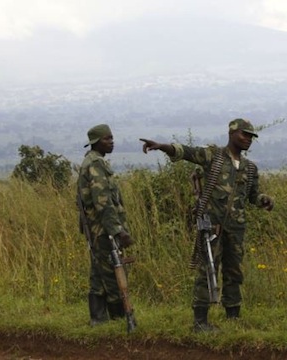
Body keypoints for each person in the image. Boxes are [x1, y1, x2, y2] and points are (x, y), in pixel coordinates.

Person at [140, 118, 274, 332]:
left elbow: (252, 195)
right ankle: (200, 321)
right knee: (207, 270)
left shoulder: (250, 168)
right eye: (244, 134)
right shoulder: (213, 156)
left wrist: (263, 200)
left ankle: (233, 317)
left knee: (235, 272)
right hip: (212, 227)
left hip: (236, 229)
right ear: (232, 133)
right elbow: (186, 151)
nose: (248, 139)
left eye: (251, 136)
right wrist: (162, 146)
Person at [77, 124, 134, 326]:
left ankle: (98, 319)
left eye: (111, 138)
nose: (111, 142)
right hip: (102, 230)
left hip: (99, 229)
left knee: (99, 272)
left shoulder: (95, 162)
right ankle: (119, 317)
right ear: (96, 142)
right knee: (111, 272)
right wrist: (118, 231)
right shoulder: (95, 164)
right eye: (106, 139)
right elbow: (103, 203)